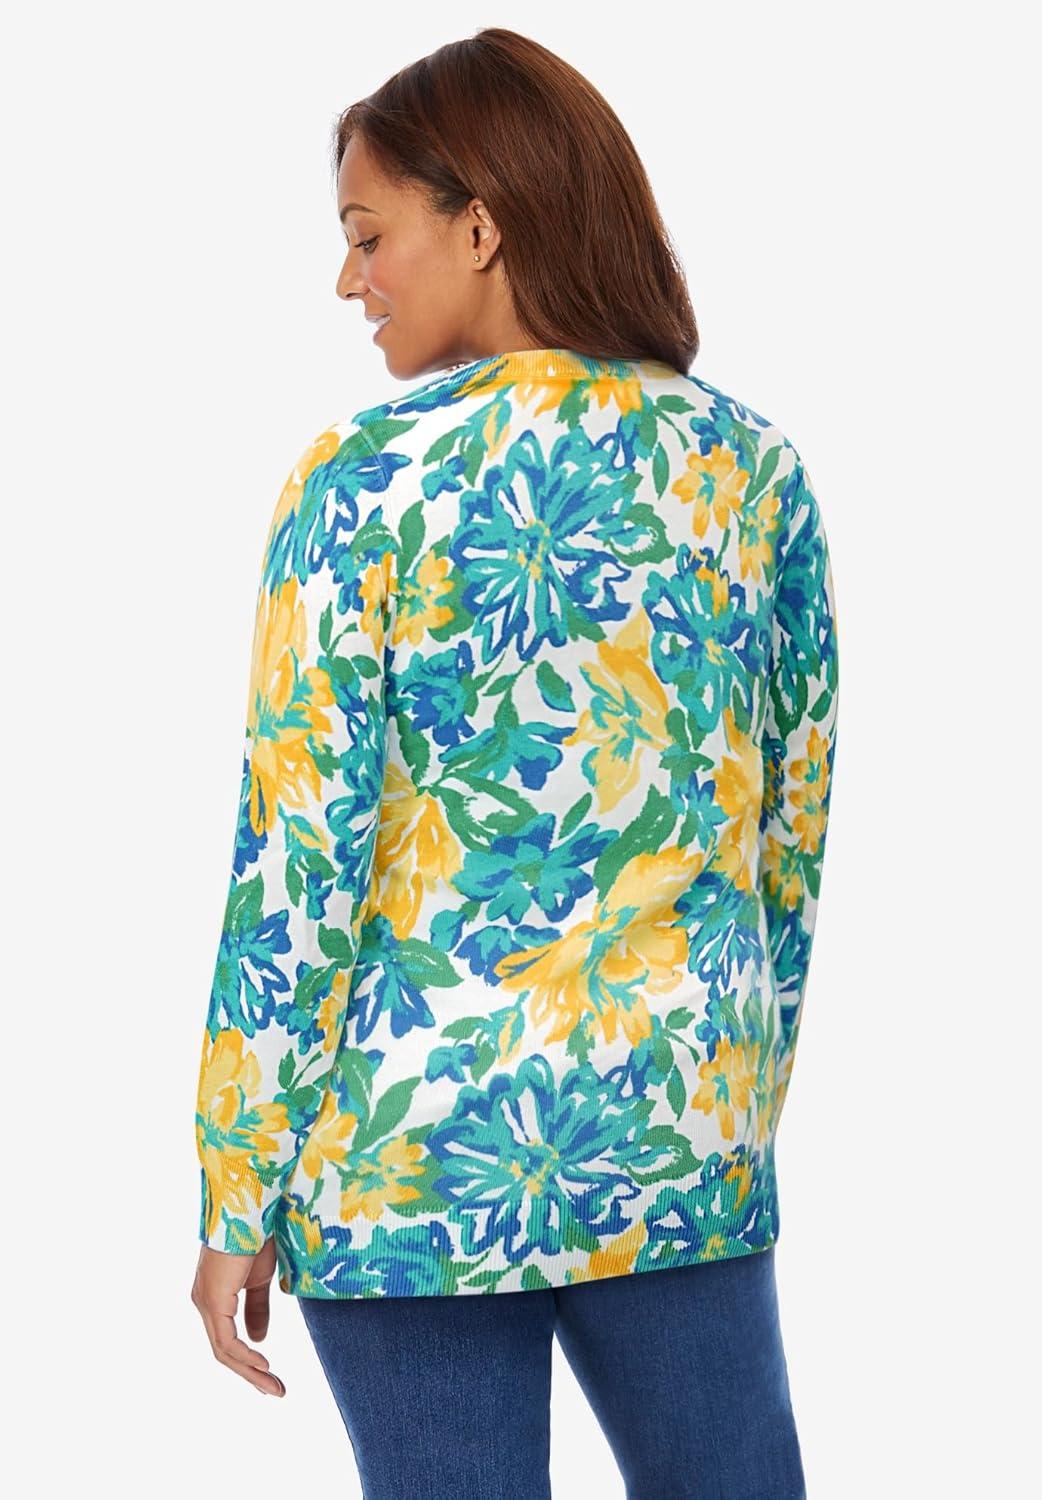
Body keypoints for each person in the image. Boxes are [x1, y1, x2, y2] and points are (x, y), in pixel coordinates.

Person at [190, 25, 838, 1499]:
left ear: (479, 226)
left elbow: (299, 861)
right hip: (674, 1132)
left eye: (368, 236)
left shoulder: (363, 481)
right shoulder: (747, 469)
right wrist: (724, 1099)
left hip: (406, 1162)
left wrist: (239, 1182)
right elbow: (787, 835)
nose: (347, 280)